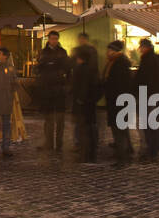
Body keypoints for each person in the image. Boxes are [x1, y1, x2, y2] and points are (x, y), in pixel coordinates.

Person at [34, 30, 70, 152]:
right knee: (48, 119)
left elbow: (67, 68)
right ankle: (49, 143)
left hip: (59, 90)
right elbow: (39, 68)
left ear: (58, 39)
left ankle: (59, 143)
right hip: (47, 90)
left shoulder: (62, 52)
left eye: (56, 38)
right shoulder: (43, 53)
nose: (54, 41)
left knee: (60, 119)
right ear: (48, 39)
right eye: (52, 38)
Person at [69, 32, 100, 162]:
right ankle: (87, 149)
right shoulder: (88, 67)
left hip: (82, 102)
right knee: (86, 126)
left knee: (84, 126)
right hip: (87, 102)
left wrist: (80, 99)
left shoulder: (82, 69)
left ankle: (85, 150)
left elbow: (80, 87)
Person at [134, 38, 159, 161]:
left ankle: (152, 151)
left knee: (149, 125)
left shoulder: (148, 60)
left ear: (145, 47)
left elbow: (144, 79)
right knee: (151, 124)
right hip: (152, 94)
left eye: (141, 47)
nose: (140, 49)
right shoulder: (153, 58)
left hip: (148, 95)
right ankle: (153, 150)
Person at [104, 41, 134, 168]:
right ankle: (126, 152)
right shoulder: (115, 62)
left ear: (114, 51)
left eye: (109, 50)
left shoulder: (118, 64)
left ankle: (122, 158)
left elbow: (118, 84)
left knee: (119, 131)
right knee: (122, 130)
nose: (107, 52)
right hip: (118, 102)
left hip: (118, 102)